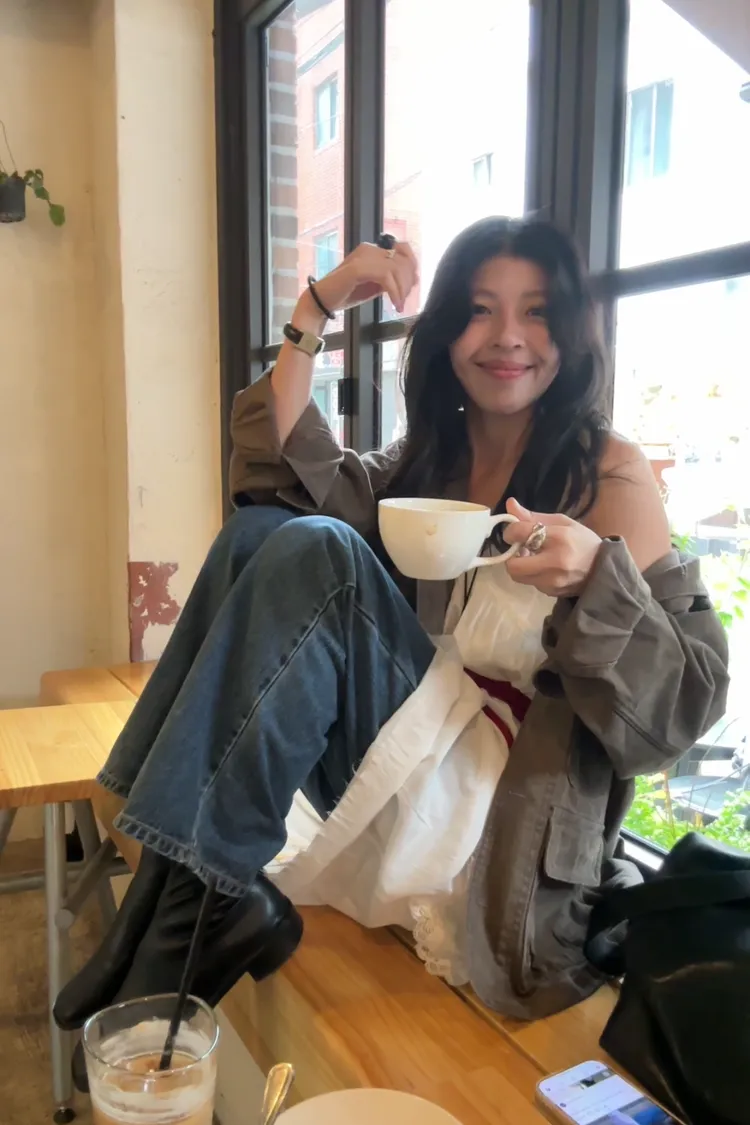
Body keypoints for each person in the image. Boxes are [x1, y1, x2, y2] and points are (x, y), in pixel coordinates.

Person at [56, 217, 728, 1042]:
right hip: (403, 768)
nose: (508, 337)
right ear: (445, 335)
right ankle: (185, 898)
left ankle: (178, 914)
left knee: (320, 551)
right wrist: (319, 304)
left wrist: (598, 578)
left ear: (571, 333)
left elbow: (677, 716)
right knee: (261, 532)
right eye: (479, 310)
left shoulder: (610, 472)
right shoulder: (428, 461)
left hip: (501, 819)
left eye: (537, 311)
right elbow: (283, 473)